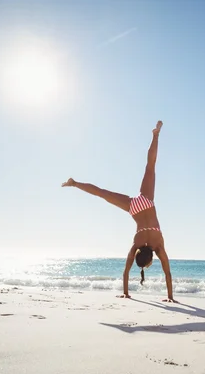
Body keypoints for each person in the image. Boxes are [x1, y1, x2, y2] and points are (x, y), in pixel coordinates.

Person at [62, 121, 177, 303]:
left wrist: (170, 297)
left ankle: (156, 135)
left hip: (144, 202)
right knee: (104, 193)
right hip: (135, 207)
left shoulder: (158, 247)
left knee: (149, 167)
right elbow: (126, 272)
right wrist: (126, 292)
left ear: (149, 260)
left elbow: (168, 273)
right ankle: (75, 183)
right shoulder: (137, 244)